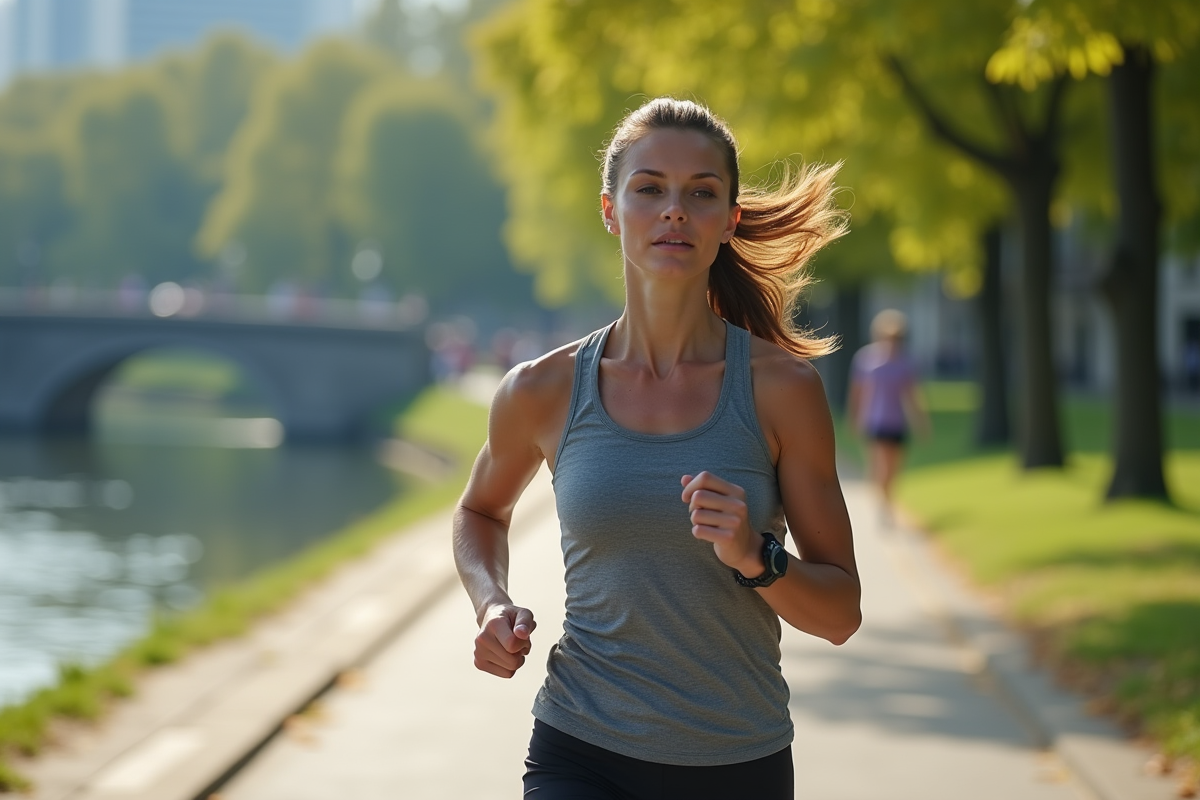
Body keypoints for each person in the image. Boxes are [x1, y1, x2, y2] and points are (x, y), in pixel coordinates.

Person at [452, 97, 861, 800]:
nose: (675, 210)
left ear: (729, 221)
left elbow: (841, 612)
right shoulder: (541, 389)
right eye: (650, 189)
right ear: (611, 209)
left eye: (701, 193)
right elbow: (479, 513)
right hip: (580, 749)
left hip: (738, 764)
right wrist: (492, 604)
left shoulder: (781, 390)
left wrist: (757, 558)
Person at [847, 309, 930, 525]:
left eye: (897, 338)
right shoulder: (866, 360)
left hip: (897, 422)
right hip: (874, 421)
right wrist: (854, 417)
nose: (893, 342)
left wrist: (921, 422)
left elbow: (912, 396)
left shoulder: (906, 363)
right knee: (880, 466)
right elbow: (857, 392)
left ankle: (887, 501)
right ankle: (883, 507)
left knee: (893, 469)